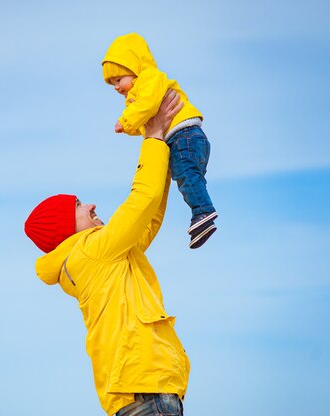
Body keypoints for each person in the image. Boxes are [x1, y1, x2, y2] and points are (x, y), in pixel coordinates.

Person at [24, 90, 189, 416]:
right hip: (146, 394)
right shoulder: (91, 252)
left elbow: (146, 219)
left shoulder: (98, 258)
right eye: (78, 205)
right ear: (64, 228)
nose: (91, 205)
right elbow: (140, 203)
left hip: (140, 396)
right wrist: (153, 137)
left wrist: (164, 154)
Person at [102, 32, 217, 249]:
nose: (116, 87)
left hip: (185, 135)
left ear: (134, 69)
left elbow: (148, 104)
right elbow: (147, 124)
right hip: (184, 140)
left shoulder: (150, 79)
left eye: (118, 80)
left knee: (186, 175)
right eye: (112, 84)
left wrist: (126, 121)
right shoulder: (135, 98)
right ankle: (200, 217)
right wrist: (131, 127)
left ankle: (203, 212)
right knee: (187, 178)